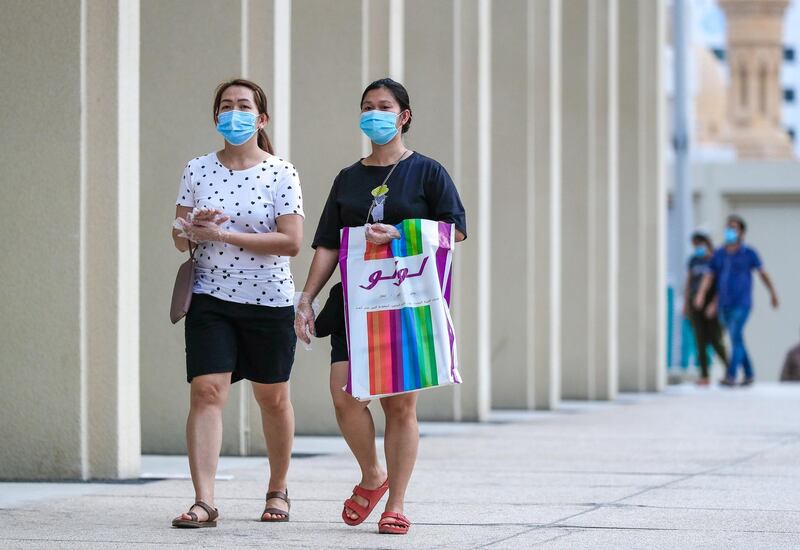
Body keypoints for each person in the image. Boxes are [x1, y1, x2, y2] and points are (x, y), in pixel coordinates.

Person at [294, 78, 467, 535]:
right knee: (344, 393)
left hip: (405, 304)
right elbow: (329, 244)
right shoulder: (348, 179)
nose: (375, 113)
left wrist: (402, 232)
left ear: (403, 115)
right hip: (356, 303)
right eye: (367, 106)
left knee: (398, 405)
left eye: (384, 106)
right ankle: (373, 474)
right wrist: (307, 298)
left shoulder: (428, 172)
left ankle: (397, 502)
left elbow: (456, 231)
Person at [170, 79, 304, 527]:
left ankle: (278, 488)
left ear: (261, 118)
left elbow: (291, 241)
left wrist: (223, 234)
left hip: (269, 301)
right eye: (225, 106)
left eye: (244, 106)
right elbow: (177, 234)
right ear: (215, 117)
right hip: (211, 297)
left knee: (272, 398)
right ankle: (204, 500)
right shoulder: (197, 169)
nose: (234, 113)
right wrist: (195, 226)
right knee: (206, 391)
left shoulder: (281, 172)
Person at [694, 215, 779, 387]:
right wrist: (701, 295)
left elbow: (763, 274)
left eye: (733, 228)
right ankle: (749, 373)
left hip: (742, 303)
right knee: (737, 339)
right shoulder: (719, 254)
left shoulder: (749, 253)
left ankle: (731, 376)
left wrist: (773, 293)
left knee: (735, 335)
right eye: (727, 228)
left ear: (741, 232)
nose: (729, 231)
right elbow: (709, 277)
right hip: (724, 304)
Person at [683, 231, 728, 385]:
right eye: (694, 245)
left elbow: (720, 286)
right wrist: (686, 305)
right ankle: (704, 375)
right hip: (695, 303)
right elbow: (688, 283)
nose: (697, 248)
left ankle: (731, 370)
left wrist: (714, 304)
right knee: (699, 340)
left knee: (715, 339)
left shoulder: (715, 260)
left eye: (699, 244)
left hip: (710, 303)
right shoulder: (693, 261)